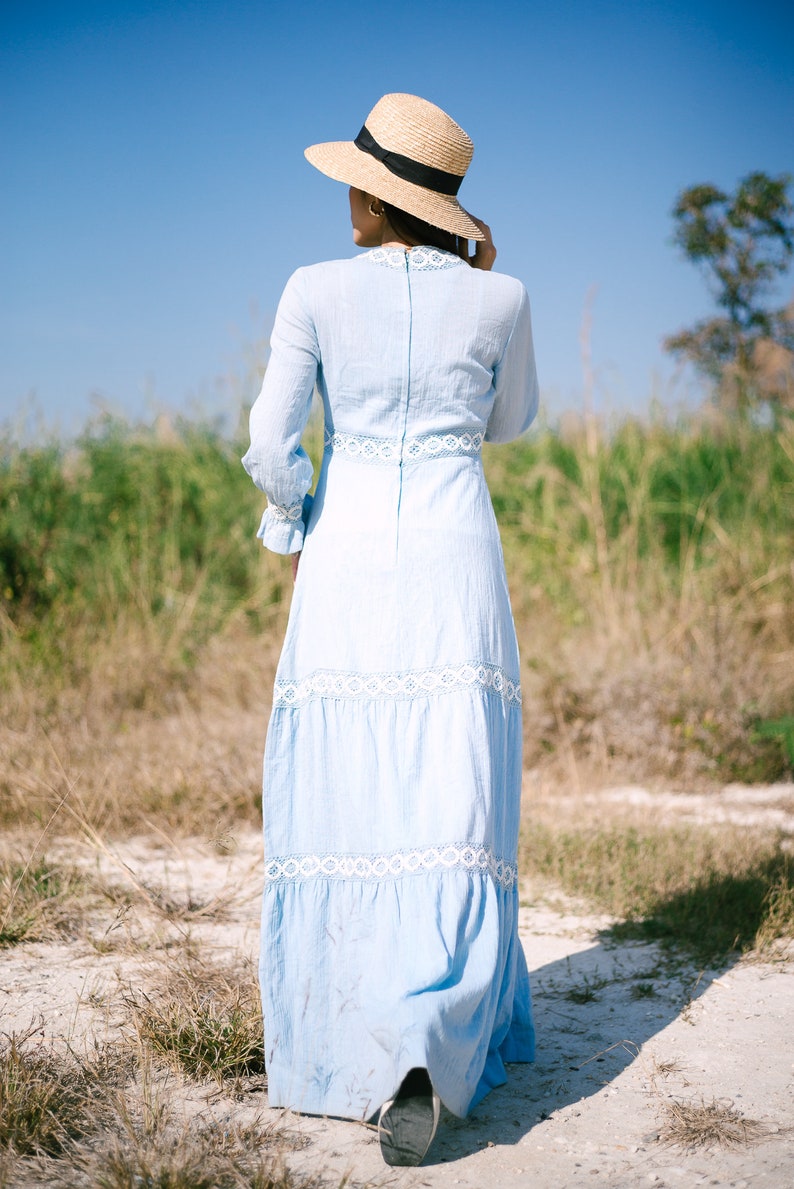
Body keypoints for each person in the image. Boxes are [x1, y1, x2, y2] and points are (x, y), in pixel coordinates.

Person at [242, 92, 539, 1167]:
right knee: (448, 785)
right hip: (456, 553)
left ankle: (346, 1041)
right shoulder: (500, 295)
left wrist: (291, 515)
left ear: (378, 197)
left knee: (350, 789)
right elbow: (508, 421)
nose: (346, 205)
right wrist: (482, 279)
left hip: (351, 555)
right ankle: (433, 1034)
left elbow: (272, 441)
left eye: (353, 189)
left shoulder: (312, 290)